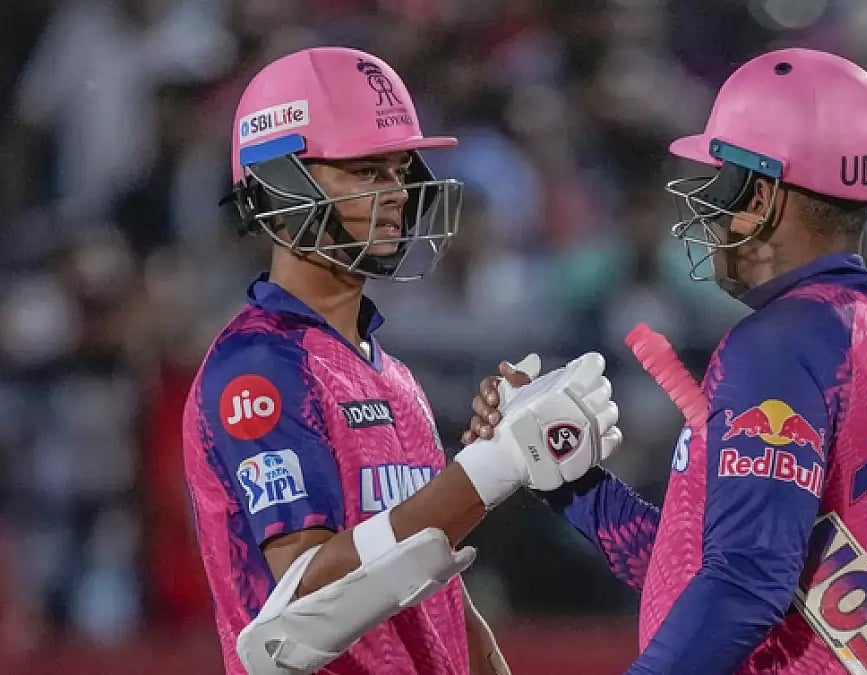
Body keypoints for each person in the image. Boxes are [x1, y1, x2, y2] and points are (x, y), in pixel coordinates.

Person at [463, 48, 867, 674]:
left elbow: (745, 581)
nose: (709, 202)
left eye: (724, 175)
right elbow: (699, 566)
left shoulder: (780, 341)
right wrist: (571, 482)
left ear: (762, 195)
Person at [181, 46, 620, 675]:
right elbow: (302, 604)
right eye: (366, 171)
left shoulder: (392, 375)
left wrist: (484, 471)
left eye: (398, 171)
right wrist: (488, 470)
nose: (396, 194)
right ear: (282, 184)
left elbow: (435, 589)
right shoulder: (256, 367)